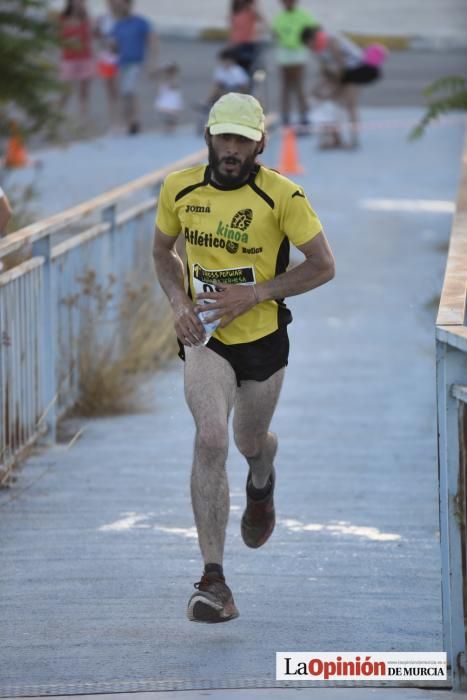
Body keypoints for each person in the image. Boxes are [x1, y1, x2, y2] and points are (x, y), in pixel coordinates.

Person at [152, 92, 335, 623]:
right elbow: (162, 252)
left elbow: (322, 265)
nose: (230, 149)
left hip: (262, 337)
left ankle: (262, 478)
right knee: (210, 438)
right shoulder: (178, 188)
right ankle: (214, 582)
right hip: (204, 336)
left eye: (241, 140)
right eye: (223, 137)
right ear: (208, 137)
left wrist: (255, 294)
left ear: (260, 143)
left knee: (248, 440)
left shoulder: (283, 195)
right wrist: (178, 299)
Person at [302, 26, 387, 148]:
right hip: (345, 73)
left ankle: (353, 140)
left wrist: (327, 87)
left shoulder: (331, 41)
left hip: (358, 70)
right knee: (330, 101)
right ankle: (337, 138)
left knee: (349, 104)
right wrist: (318, 88)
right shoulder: (318, 49)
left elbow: (341, 67)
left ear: (311, 40)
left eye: (308, 45)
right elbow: (326, 72)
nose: (309, 48)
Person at [111, 0, 158, 134]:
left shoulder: (140, 22)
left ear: (129, 5)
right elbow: (114, 46)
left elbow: (152, 41)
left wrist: (152, 62)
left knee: (130, 91)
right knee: (125, 93)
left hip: (136, 63)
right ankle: (129, 122)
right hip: (122, 63)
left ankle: (134, 121)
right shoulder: (118, 25)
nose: (121, 6)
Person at [271, 0, 317, 132]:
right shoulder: (279, 17)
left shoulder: (303, 15)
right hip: (284, 54)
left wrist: (309, 41)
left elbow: (312, 31)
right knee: (286, 86)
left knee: (298, 86)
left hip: (298, 54)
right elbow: (276, 34)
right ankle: (286, 116)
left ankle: (303, 115)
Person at [57, 0, 95, 125]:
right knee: (65, 91)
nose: (78, 3)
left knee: (84, 92)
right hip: (68, 59)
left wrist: (86, 12)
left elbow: (94, 33)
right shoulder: (62, 18)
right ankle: (56, 118)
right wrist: (69, 41)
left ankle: (83, 119)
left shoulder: (87, 18)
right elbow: (57, 38)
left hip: (85, 58)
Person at [95, 0, 121, 127]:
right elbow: (98, 38)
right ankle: (114, 121)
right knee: (110, 91)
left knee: (120, 90)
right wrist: (96, 28)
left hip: (120, 58)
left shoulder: (123, 18)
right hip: (106, 58)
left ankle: (123, 119)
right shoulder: (103, 18)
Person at [228, 0, 267, 76]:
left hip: (248, 45)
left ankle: (248, 86)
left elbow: (262, 21)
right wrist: (230, 44)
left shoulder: (250, 12)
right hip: (236, 45)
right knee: (236, 70)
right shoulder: (234, 14)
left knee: (248, 68)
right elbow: (233, 30)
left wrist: (252, 6)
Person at [153, 62, 184, 132]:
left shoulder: (175, 80)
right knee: (165, 117)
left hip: (172, 102)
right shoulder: (162, 80)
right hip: (165, 101)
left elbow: (174, 85)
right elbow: (158, 87)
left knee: (172, 117)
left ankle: (171, 126)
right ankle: (167, 126)